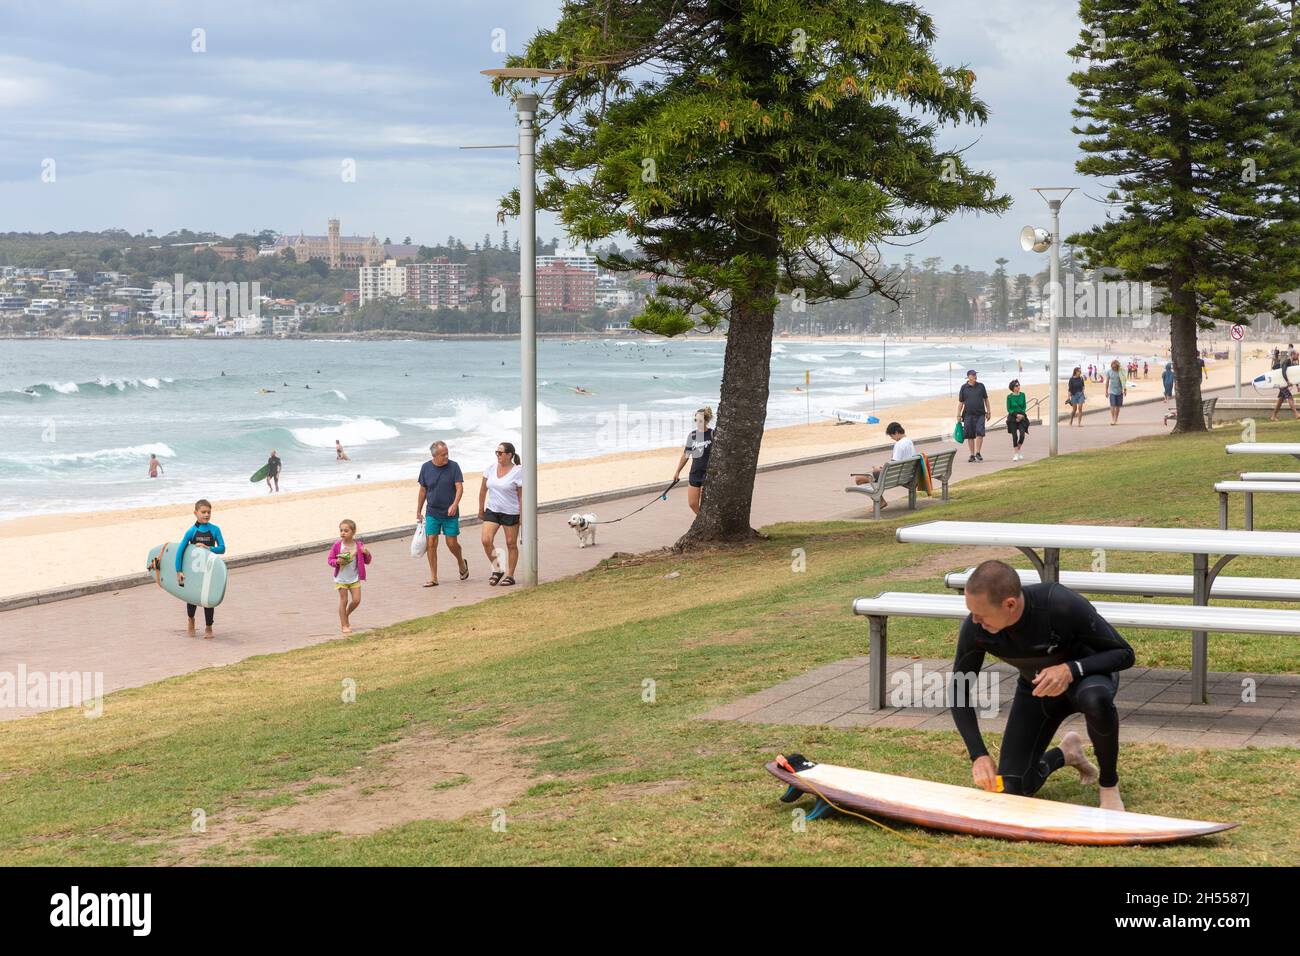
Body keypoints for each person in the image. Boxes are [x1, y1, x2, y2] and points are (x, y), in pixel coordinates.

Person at [951, 559, 1135, 811]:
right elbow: (959, 689)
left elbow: (1124, 654)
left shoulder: (1058, 604)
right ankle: (1067, 753)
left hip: (1088, 680)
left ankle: (1109, 786)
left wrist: (1071, 669)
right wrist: (978, 754)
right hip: (1037, 691)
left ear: (1010, 604)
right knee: (1015, 786)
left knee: (1096, 700)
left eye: (981, 615)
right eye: (971, 612)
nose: (974, 621)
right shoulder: (975, 630)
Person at [416, 440, 467, 587]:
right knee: (431, 542)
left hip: (450, 513)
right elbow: (423, 490)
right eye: (443, 455)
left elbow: (459, 488)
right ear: (435, 456)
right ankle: (433, 577)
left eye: (447, 454)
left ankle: (461, 563)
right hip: (432, 511)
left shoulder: (454, 466)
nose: (446, 457)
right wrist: (418, 510)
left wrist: (455, 504)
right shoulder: (425, 468)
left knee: (452, 544)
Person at [175, 498, 226, 639]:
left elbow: (222, 548)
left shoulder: (215, 530)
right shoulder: (191, 532)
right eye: (203, 512)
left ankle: (209, 627)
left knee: (208, 599)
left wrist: (208, 548)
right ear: (195, 513)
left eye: (209, 512)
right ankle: (191, 620)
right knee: (192, 598)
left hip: (209, 570)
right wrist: (178, 570)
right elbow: (180, 551)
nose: (206, 515)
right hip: (194, 571)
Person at [479, 442, 523, 587]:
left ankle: (510, 575)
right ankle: (497, 569)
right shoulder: (491, 468)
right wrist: (481, 508)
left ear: (509, 455)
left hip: (511, 511)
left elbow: (521, 495)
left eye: (500, 453)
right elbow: (483, 490)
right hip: (492, 510)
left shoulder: (518, 471)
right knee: (486, 540)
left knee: (511, 543)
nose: (497, 455)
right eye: (496, 452)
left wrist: (522, 515)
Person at [852, 421, 916, 508]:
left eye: (891, 436)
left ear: (896, 432)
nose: (892, 438)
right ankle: (880, 500)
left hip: (894, 477)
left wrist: (879, 469)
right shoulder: (909, 442)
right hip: (906, 475)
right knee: (871, 474)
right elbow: (896, 464)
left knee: (859, 479)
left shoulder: (899, 444)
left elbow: (893, 467)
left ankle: (881, 501)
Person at [328, 518, 371, 635]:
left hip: (354, 578)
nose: (343, 533)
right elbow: (330, 560)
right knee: (344, 600)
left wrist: (367, 553)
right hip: (341, 578)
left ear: (353, 532)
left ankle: (345, 614)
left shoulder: (359, 545)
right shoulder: (337, 546)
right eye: (341, 530)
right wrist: (337, 561)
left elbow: (367, 561)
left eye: (346, 531)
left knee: (356, 600)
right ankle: (344, 625)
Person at [672, 407, 714, 515]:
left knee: (707, 503)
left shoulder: (712, 434)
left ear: (706, 420)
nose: (698, 423)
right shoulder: (692, 436)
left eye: (700, 420)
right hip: (695, 473)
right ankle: (703, 520)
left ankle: (706, 522)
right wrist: (677, 471)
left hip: (708, 474)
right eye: (696, 420)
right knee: (692, 503)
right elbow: (686, 455)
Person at [956, 369, 990, 462]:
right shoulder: (964, 387)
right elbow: (961, 402)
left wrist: (989, 411)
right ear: (968, 377)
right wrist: (958, 414)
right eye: (973, 375)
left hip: (980, 414)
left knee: (980, 432)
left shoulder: (981, 386)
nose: (975, 376)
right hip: (968, 415)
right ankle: (972, 455)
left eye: (975, 374)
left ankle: (978, 453)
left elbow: (986, 399)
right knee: (970, 435)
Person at [1270, 350, 1299, 421]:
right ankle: (1296, 414)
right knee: (1290, 397)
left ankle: (1273, 416)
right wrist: (1287, 381)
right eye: (1297, 355)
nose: (1298, 356)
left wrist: (1297, 386)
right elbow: (1283, 371)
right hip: (1282, 383)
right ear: (1293, 354)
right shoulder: (1287, 361)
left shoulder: (1292, 363)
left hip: (1284, 383)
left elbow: (1293, 375)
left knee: (1280, 400)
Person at [1006, 380, 1029, 460]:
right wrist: (1016, 415)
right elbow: (1009, 409)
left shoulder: (1023, 395)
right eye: (1016, 385)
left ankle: (1018, 450)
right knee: (1014, 436)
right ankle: (1016, 454)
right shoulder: (1009, 397)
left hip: (1022, 416)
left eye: (1018, 385)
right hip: (1012, 417)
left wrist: (1021, 415)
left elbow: (1024, 407)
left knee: (1022, 435)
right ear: (1013, 387)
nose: (1018, 387)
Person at [1105, 359, 1127, 425]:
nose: (1113, 368)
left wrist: (1125, 390)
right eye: (1112, 367)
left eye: (1115, 367)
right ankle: (1113, 419)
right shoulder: (1109, 372)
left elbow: (1123, 381)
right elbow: (1107, 382)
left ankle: (1116, 419)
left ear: (1117, 366)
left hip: (1119, 391)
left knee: (1117, 406)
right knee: (1112, 405)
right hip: (1112, 391)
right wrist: (1106, 391)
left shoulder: (1120, 372)